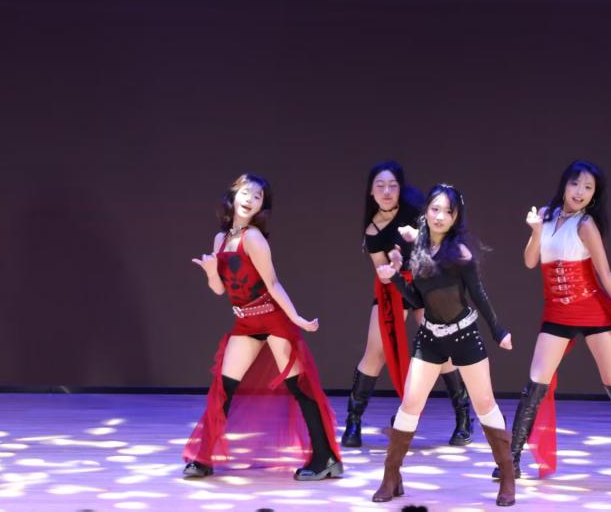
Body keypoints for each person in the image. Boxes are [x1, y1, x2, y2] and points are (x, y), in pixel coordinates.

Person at [494, 160, 611, 483]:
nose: (580, 192)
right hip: (557, 313)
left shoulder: (586, 225)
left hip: (591, 310)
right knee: (534, 386)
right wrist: (536, 231)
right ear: (564, 185)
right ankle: (511, 459)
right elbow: (530, 261)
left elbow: (605, 274)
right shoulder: (546, 215)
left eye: (588, 187)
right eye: (575, 184)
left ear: (594, 195)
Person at [182, 174, 343, 481]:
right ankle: (203, 459)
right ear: (233, 195)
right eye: (246, 192)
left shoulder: (253, 238)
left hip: (272, 318)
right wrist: (210, 272)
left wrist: (295, 318)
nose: (250, 199)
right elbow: (219, 289)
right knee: (223, 388)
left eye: (258, 197)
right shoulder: (220, 239)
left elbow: (272, 283)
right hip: (246, 321)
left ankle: (326, 459)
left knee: (300, 388)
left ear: (261, 207)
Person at [372, 184, 517, 507]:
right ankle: (391, 476)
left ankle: (507, 476)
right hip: (430, 338)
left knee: (484, 404)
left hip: (464, 336)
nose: (440, 216)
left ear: (456, 217)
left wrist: (498, 331)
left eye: (447, 211)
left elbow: (479, 295)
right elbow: (416, 299)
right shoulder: (418, 249)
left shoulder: (460, 254)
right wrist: (393, 278)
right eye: (435, 209)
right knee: (410, 404)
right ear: (426, 211)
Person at [343, 161, 473, 448]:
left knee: (442, 349)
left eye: (392, 185)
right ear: (371, 192)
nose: (387, 191)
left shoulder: (416, 210)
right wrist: (392, 269)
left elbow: (439, 242)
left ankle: (464, 419)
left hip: (427, 281)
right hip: (393, 287)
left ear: (400, 188)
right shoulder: (372, 230)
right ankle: (353, 421)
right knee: (375, 351)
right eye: (380, 186)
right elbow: (381, 271)